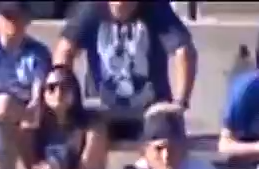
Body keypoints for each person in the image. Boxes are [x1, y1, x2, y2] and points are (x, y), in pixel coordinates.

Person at [54, 0, 196, 141]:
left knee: (164, 140)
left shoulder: (155, 7)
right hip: (102, 107)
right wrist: (65, 99)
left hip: (150, 109)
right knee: (86, 136)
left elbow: (184, 51)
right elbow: (64, 50)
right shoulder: (91, 8)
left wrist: (179, 103)